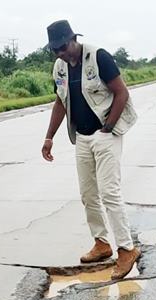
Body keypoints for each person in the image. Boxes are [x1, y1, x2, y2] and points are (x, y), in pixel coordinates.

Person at [41, 20, 140, 280]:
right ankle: (102, 243)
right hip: (82, 137)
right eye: (55, 50)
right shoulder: (60, 68)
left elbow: (122, 93)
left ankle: (127, 249)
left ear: (74, 39)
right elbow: (60, 103)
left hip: (106, 134)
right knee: (88, 194)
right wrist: (49, 137)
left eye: (63, 47)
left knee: (109, 192)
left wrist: (107, 129)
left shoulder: (98, 57)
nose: (60, 53)